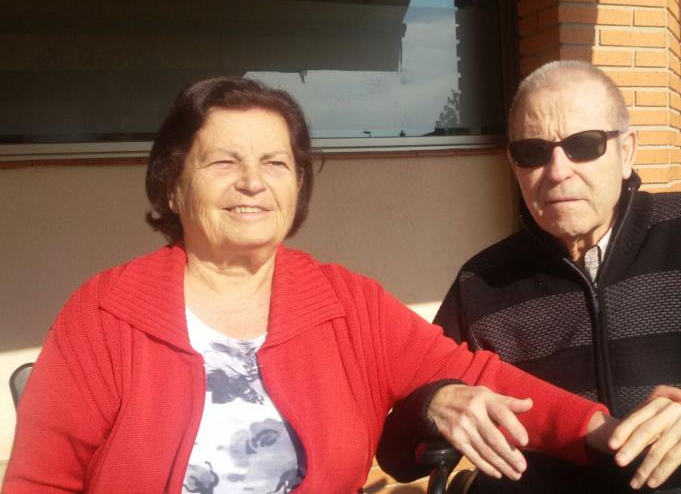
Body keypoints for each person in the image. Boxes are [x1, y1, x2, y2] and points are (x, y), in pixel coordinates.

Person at [3, 76, 630, 493]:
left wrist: (602, 431)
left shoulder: (346, 305)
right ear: (172, 185)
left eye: (275, 163)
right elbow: (41, 482)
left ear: (297, 186)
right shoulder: (106, 313)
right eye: (223, 162)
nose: (253, 182)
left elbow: (477, 374)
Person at [377, 60, 681, 493]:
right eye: (532, 152)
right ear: (513, 166)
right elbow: (397, 453)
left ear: (626, 152)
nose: (557, 171)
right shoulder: (481, 282)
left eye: (584, 145)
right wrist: (434, 404)